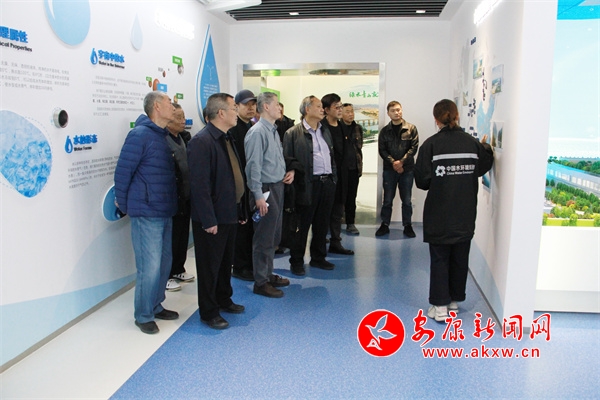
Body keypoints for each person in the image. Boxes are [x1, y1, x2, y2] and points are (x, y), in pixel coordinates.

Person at [414, 99, 494, 322]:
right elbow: (483, 165)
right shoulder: (472, 144)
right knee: (460, 257)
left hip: (439, 212)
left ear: (436, 119)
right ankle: (453, 302)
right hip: (465, 212)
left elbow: (422, 181)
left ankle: (440, 307)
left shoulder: (430, 145)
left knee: (440, 258)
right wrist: (486, 148)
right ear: (457, 116)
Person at [114, 91, 179, 335]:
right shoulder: (139, 135)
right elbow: (123, 173)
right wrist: (125, 205)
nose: (173, 107)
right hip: (146, 212)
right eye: (169, 103)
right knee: (149, 267)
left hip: (164, 209)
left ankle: (155, 304)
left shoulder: (161, 135)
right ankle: (143, 315)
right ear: (156, 107)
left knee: (164, 263)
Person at [187, 93, 247, 329]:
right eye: (233, 108)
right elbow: (199, 186)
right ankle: (209, 311)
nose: (236, 113)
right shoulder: (202, 142)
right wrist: (208, 220)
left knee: (224, 263)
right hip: (213, 218)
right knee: (209, 267)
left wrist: (240, 210)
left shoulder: (226, 137)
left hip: (229, 212)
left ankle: (224, 299)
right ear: (221, 113)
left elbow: (233, 176)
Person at [244, 92, 294, 298]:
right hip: (264, 189)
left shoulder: (272, 130)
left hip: (277, 186)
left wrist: (287, 172)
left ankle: (267, 273)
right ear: (265, 107)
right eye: (276, 105)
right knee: (264, 237)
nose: (280, 108)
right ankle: (261, 282)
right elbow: (253, 167)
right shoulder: (257, 133)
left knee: (274, 235)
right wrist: (257, 195)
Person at [283, 95, 337, 276]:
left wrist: (333, 178)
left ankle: (318, 257)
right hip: (306, 185)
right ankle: (297, 261)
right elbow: (287, 158)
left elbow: (331, 156)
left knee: (322, 224)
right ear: (307, 109)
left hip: (326, 183)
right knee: (302, 225)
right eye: (319, 106)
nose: (323, 109)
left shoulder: (325, 131)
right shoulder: (292, 133)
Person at [376, 101, 419, 238]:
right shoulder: (385, 131)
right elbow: (382, 150)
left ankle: (407, 225)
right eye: (393, 110)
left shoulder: (411, 128)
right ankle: (385, 224)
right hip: (389, 170)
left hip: (407, 170)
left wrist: (401, 162)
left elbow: (413, 148)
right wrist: (393, 162)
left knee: (406, 200)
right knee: (387, 199)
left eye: (398, 110)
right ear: (388, 113)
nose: (397, 112)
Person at [165, 103, 195, 292]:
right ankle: (167, 275)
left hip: (186, 196)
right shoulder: (163, 140)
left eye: (184, 117)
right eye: (178, 117)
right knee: (171, 238)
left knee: (183, 235)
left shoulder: (184, 137)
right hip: (172, 198)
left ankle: (178, 269)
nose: (183, 121)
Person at [229, 89, 257, 282]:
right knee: (241, 227)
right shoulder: (233, 130)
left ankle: (249, 264)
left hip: (251, 184)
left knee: (250, 227)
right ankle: (240, 266)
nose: (251, 108)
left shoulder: (251, 127)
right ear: (236, 106)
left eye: (253, 104)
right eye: (246, 104)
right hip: (239, 186)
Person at [321, 93, 353, 255]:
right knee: (323, 211)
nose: (340, 110)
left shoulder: (342, 127)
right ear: (326, 110)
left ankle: (336, 241)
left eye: (341, 106)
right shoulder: (320, 128)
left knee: (338, 211)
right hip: (326, 177)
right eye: (336, 107)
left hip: (341, 176)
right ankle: (320, 244)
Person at [340, 103, 364, 235]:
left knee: (351, 197)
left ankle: (350, 223)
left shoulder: (358, 128)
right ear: (341, 113)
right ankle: (334, 223)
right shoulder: (337, 128)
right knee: (339, 198)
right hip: (340, 170)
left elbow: (359, 147)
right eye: (347, 112)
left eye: (352, 111)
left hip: (354, 168)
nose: (351, 114)